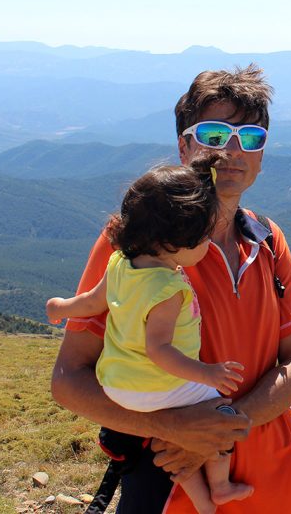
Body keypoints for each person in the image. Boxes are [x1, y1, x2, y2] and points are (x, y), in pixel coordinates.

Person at [51, 65, 291, 513]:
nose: (232, 151)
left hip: (281, 476)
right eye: (214, 135)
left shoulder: (268, 240)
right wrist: (175, 428)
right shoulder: (134, 242)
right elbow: (68, 380)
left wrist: (222, 429)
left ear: (261, 155)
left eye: (250, 138)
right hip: (174, 487)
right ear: (184, 146)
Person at [46, 156, 254, 513]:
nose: (207, 245)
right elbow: (159, 350)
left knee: (172, 438)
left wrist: (60, 308)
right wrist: (207, 373)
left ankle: (204, 502)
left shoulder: (119, 263)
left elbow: (92, 302)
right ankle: (218, 486)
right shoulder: (167, 288)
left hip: (116, 386)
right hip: (154, 386)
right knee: (220, 412)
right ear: (176, 241)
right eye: (203, 237)